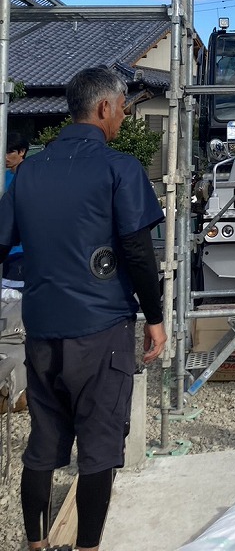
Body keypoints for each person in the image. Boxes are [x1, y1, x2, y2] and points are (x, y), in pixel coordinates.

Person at [0, 66, 167, 551]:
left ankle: (35, 543)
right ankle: (87, 547)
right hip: (101, 330)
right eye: (121, 108)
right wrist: (154, 320)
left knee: (43, 445)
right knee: (97, 449)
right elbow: (137, 252)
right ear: (103, 108)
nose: (122, 116)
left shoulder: (27, 172)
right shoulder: (119, 169)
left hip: (43, 331)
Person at [2, 132, 30, 282]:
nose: (4, 156)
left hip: (21, 252)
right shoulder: (2, 177)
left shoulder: (30, 178)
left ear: (21, 152)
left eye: (9, 151)